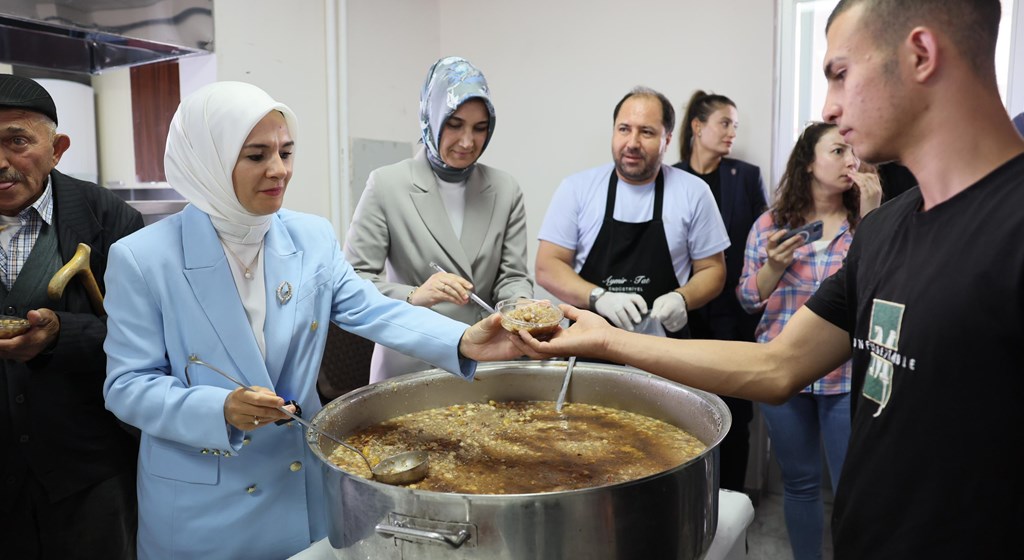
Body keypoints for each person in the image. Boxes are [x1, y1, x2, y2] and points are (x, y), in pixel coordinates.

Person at [517, 1, 1024, 557]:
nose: (829, 106)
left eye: (840, 73)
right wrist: (607, 338)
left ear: (921, 54)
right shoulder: (883, 232)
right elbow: (777, 365)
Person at [101, 81, 525, 559]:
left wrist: (464, 340)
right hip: (203, 505)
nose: (279, 170)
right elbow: (127, 386)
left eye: (286, 152)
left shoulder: (310, 238)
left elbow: (372, 308)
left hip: (296, 488)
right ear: (208, 162)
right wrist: (218, 409)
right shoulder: (143, 259)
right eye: (257, 155)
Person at [0, 74, 143, 559]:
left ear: (57, 149)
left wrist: (64, 333)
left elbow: (149, 338)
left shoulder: (109, 218)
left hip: (89, 470)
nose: (1, 161)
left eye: (18, 141)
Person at [736, 121, 879, 560]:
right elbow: (747, 299)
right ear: (808, 163)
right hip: (783, 371)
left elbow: (883, 292)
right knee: (799, 483)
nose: (851, 161)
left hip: (845, 374)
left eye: (853, 152)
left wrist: (873, 217)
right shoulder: (770, 225)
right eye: (838, 151)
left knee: (852, 485)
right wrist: (774, 267)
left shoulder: (867, 223)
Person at [344, 56, 532, 382]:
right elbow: (352, 283)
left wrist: (521, 308)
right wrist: (414, 295)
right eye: (454, 124)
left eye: (480, 128)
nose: (467, 142)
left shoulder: (506, 189)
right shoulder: (387, 184)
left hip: (485, 361)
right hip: (410, 361)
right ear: (431, 116)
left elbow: (512, 276)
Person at [535, 86, 728, 339]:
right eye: (624, 129)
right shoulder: (576, 189)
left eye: (646, 132)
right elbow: (547, 266)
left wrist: (682, 298)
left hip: (665, 346)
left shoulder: (693, 192)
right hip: (589, 343)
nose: (632, 143)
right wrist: (598, 297)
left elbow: (713, 270)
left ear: (667, 139)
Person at [673, 90, 766, 493]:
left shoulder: (745, 177)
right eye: (725, 123)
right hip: (684, 313)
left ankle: (733, 501)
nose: (732, 133)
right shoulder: (671, 178)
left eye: (736, 126)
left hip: (734, 315)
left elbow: (762, 239)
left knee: (737, 413)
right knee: (685, 411)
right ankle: (692, 498)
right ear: (697, 126)